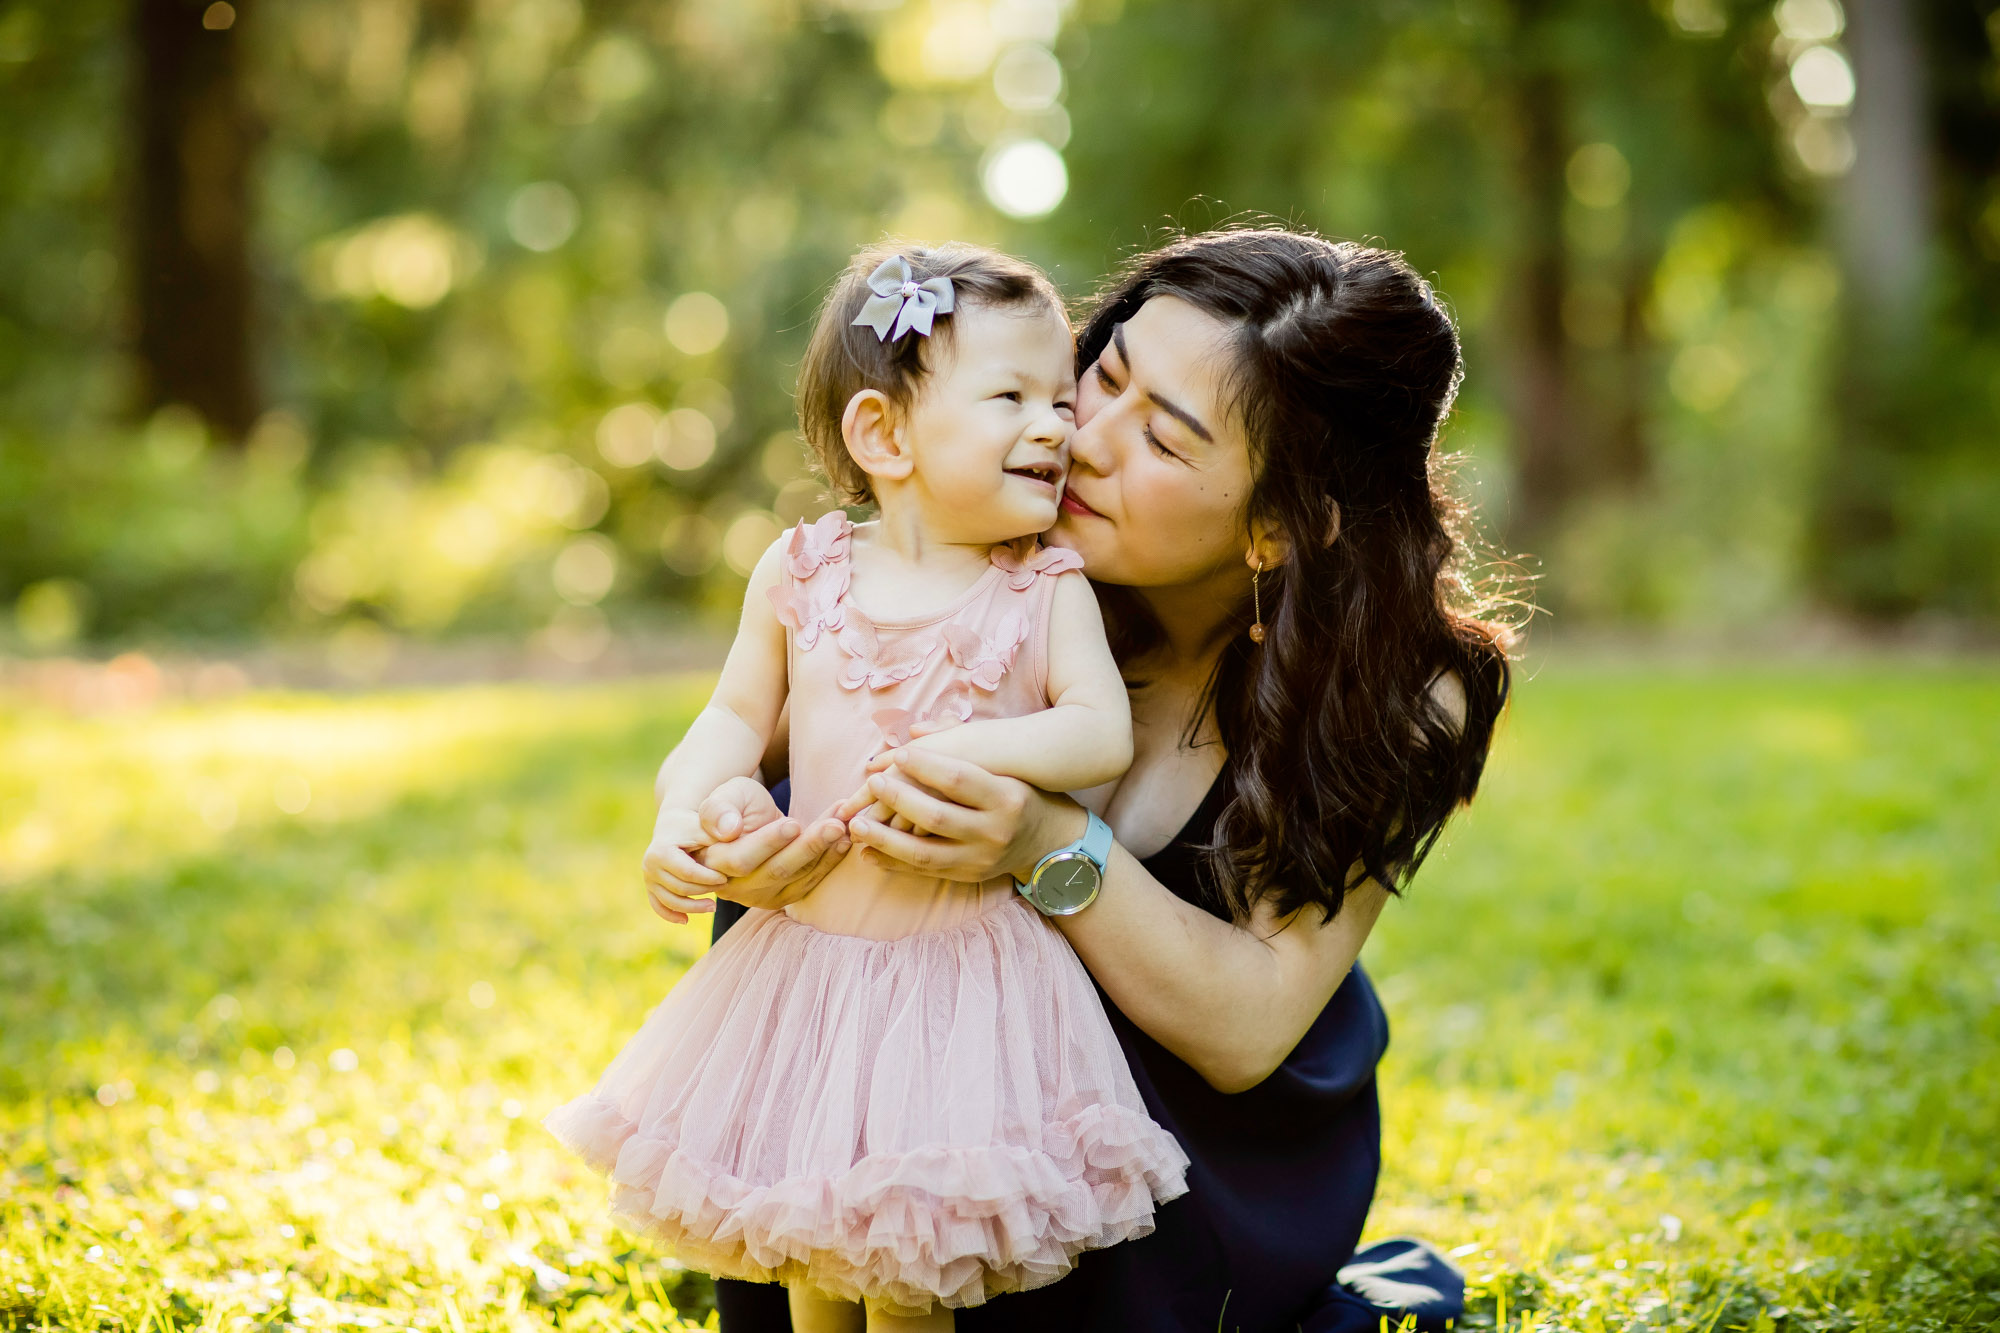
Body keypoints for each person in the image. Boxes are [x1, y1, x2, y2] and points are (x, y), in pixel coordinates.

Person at [651, 228, 1514, 1332]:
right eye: (1100, 375)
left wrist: (1042, 844)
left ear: (1276, 527)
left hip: (1184, 1155)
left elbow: (1246, 1030)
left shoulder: (1395, 691)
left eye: (1161, 438)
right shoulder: (983, 555)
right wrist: (738, 845)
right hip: (891, 1074)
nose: (1077, 438)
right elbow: (750, 739)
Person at [547, 242, 1190, 1333]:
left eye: (1056, 395)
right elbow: (731, 721)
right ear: (882, 435)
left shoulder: (1042, 586)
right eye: (1011, 398)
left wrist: (978, 754)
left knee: (901, 1273)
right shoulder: (801, 571)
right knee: (812, 1246)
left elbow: (1096, 734)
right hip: (807, 977)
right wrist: (683, 812)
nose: (1057, 427)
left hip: (960, 985)